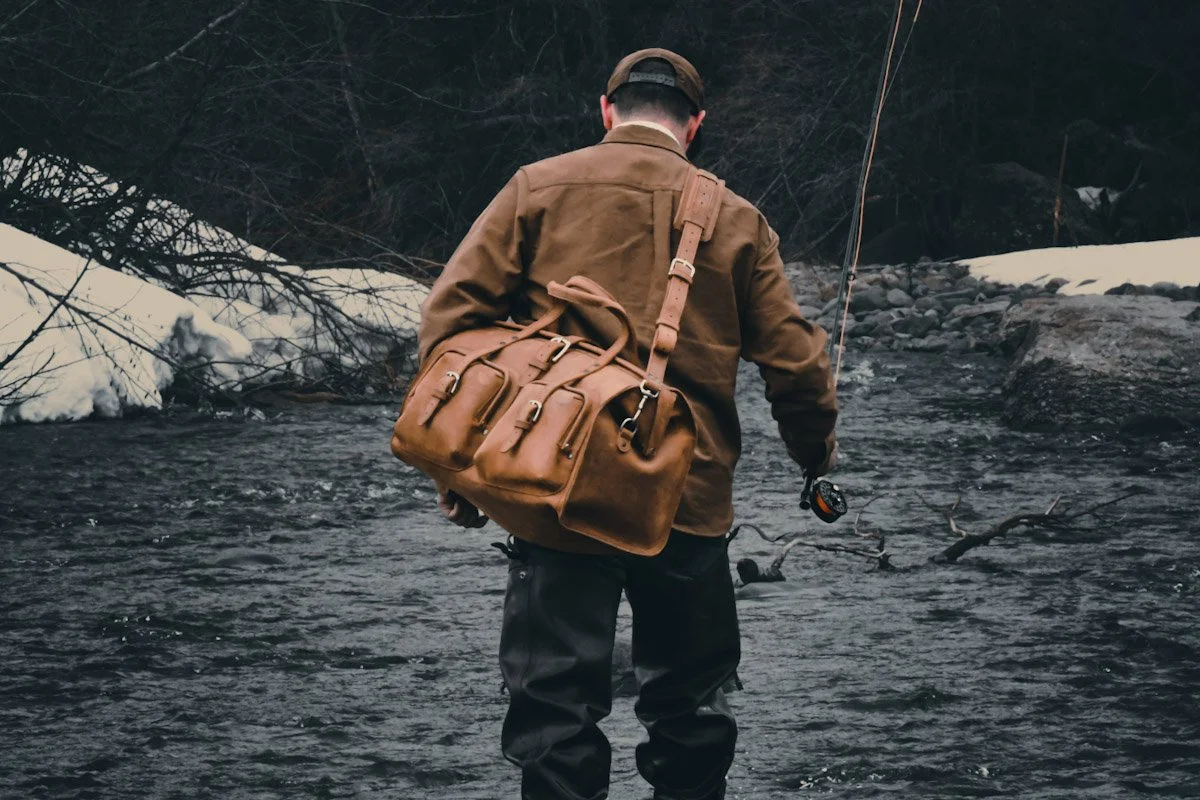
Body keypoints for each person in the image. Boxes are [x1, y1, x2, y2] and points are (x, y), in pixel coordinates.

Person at [417, 48, 838, 800]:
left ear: (606, 110)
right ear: (697, 125)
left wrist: (461, 465)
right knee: (691, 709)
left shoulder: (533, 190)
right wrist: (815, 461)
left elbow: (449, 323)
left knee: (551, 708)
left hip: (554, 487)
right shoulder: (738, 220)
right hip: (689, 497)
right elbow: (797, 369)